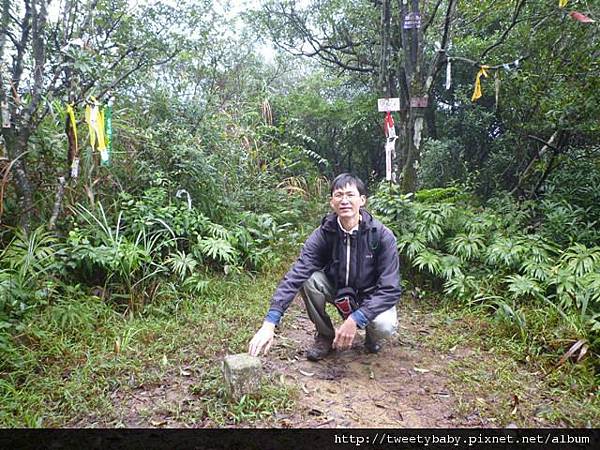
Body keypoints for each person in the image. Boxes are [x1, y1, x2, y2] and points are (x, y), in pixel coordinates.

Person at [248, 173, 402, 361]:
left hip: (370, 295)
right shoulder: (324, 234)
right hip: (339, 291)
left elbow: (391, 288)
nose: (344, 200)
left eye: (350, 195)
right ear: (332, 202)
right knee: (309, 280)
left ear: (362, 200)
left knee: (384, 325)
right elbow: (297, 273)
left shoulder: (382, 236)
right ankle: (325, 335)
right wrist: (270, 322)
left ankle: (372, 335)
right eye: (339, 195)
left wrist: (356, 319)